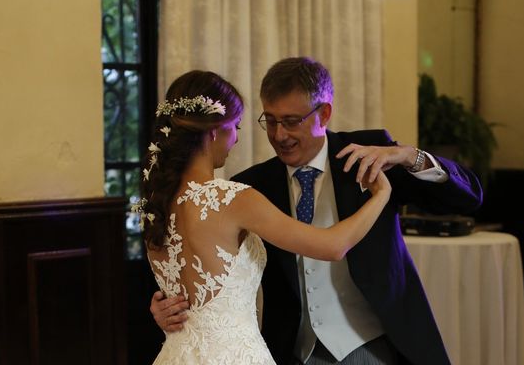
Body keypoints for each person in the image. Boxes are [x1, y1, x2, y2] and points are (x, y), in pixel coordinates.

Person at [150, 57, 484, 365]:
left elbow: (467, 199)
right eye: (271, 121)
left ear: (323, 114)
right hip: (290, 351)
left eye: (292, 121)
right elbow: (197, 266)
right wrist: (166, 305)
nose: (280, 135)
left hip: (373, 347)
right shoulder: (248, 186)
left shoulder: (371, 156)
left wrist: (410, 157)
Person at [135, 69, 392, 364]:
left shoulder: (155, 205)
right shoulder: (233, 199)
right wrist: (381, 195)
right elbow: (333, 245)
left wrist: (160, 307)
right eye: (236, 127)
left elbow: (183, 290)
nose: (234, 140)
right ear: (216, 130)